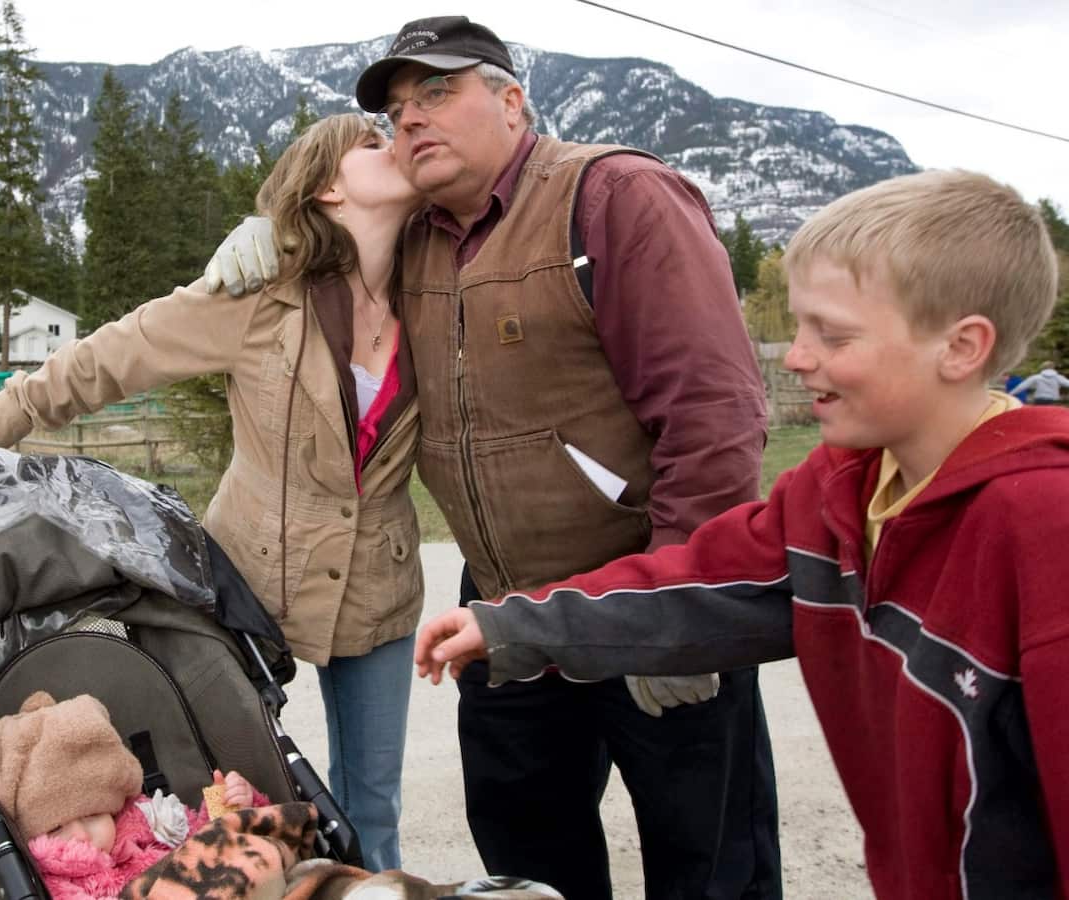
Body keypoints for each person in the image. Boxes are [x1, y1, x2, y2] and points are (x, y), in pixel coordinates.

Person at [206, 16, 780, 899]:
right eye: (397, 108)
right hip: (505, 619)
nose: (412, 120)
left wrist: (684, 614)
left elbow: (713, 415)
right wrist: (264, 234)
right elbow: (331, 249)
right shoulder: (414, 233)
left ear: (513, 100)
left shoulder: (615, 197)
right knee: (528, 867)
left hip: (643, 598)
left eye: (437, 90)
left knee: (707, 865)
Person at [415, 170, 1069, 899]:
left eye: (834, 334)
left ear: (962, 347)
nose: (795, 356)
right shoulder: (839, 493)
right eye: (799, 326)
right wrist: (511, 626)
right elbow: (697, 586)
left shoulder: (1045, 528)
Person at [0, 114, 425, 872]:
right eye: (374, 143)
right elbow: (120, 352)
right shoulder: (258, 296)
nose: (400, 143)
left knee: (371, 804)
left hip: (379, 583)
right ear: (328, 185)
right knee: (237, 791)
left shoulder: (442, 285)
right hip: (254, 578)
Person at [0, 690, 270, 899]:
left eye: (92, 815)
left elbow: (205, 842)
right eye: (55, 828)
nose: (80, 836)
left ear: (112, 807)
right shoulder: (53, 884)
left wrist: (228, 807)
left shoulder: (148, 821)